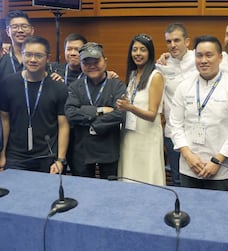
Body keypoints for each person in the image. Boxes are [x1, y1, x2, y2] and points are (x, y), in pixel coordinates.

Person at [169, 35, 228, 191]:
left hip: (220, 170)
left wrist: (217, 161)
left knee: (218, 214)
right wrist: (188, 156)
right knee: (188, 212)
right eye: (199, 55)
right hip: (188, 167)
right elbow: (175, 124)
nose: (203, 60)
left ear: (220, 57)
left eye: (209, 55)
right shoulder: (184, 87)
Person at [0, 36, 69, 174]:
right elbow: (4, 120)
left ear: (48, 58)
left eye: (38, 55)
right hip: (15, 156)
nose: (32, 60)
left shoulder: (58, 87)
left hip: (47, 156)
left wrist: (60, 159)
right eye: (28, 54)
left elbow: (63, 125)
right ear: (22, 54)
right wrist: (2, 154)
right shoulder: (8, 83)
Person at [65, 42, 125, 179]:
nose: (92, 66)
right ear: (80, 64)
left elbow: (121, 113)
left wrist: (91, 121)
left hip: (109, 148)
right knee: (83, 191)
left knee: (109, 191)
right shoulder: (75, 87)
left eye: (96, 61)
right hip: (82, 149)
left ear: (105, 61)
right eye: (86, 62)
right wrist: (100, 111)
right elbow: (71, 113)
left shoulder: (117, 85)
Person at [117, 34, 166, 186]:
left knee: (146, 177)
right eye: (135, 49)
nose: (138, 53)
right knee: (129, 175)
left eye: (142, 50)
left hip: (147, 137)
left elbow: (152, 114)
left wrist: (129, 107)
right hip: (130, 134)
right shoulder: (132, 75)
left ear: (150, 52)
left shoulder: (155, 76)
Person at [156, 23, 197, 186]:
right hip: (173, 133)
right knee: (177, 179)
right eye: (168, 41)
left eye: (177, 40)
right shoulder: (162, 66)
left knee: (198, 177)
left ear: (187, 41)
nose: (172, 45)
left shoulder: (199, 59)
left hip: (197, 132)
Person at [0, 10, 34, 81]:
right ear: (7, 31)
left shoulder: (38, 57)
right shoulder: (2, 56)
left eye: (24, 26)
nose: (20, 30)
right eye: (15, 27)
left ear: (32, 30)